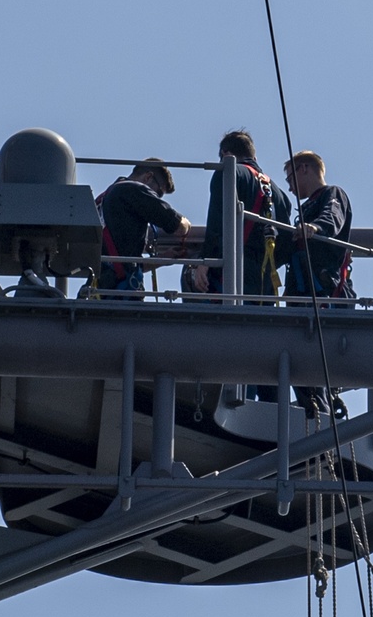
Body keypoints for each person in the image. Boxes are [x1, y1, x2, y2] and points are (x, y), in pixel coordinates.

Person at [278, 149, 356, 416]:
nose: (289, 186)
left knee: (314, 367)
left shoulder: (332, 195)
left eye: (289, 178)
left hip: (323, 295)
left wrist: (316, 228)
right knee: (300, 369)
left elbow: (332, 219)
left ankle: (319, 428)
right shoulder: (307, 207)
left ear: (304, 169)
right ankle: (312, 417)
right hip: (302, 295)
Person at [191, 130, 292, 297]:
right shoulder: (280, 195)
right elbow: (286, 243)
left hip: (234, 273)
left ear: (225, 154)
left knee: (191, 280)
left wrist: (205, 261)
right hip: (264, 280)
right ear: (254, 157)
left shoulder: (229, 173)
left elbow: (217, 222)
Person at [97, 159, 191, 299]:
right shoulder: (133, 189)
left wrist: (163, 258)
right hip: (124, 294)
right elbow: (178, 227)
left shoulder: (104, 199)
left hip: (104, 287)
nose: (156, 198)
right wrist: (186, 223)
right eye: (158, 193)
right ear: (147, 177)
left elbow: (126, 264)